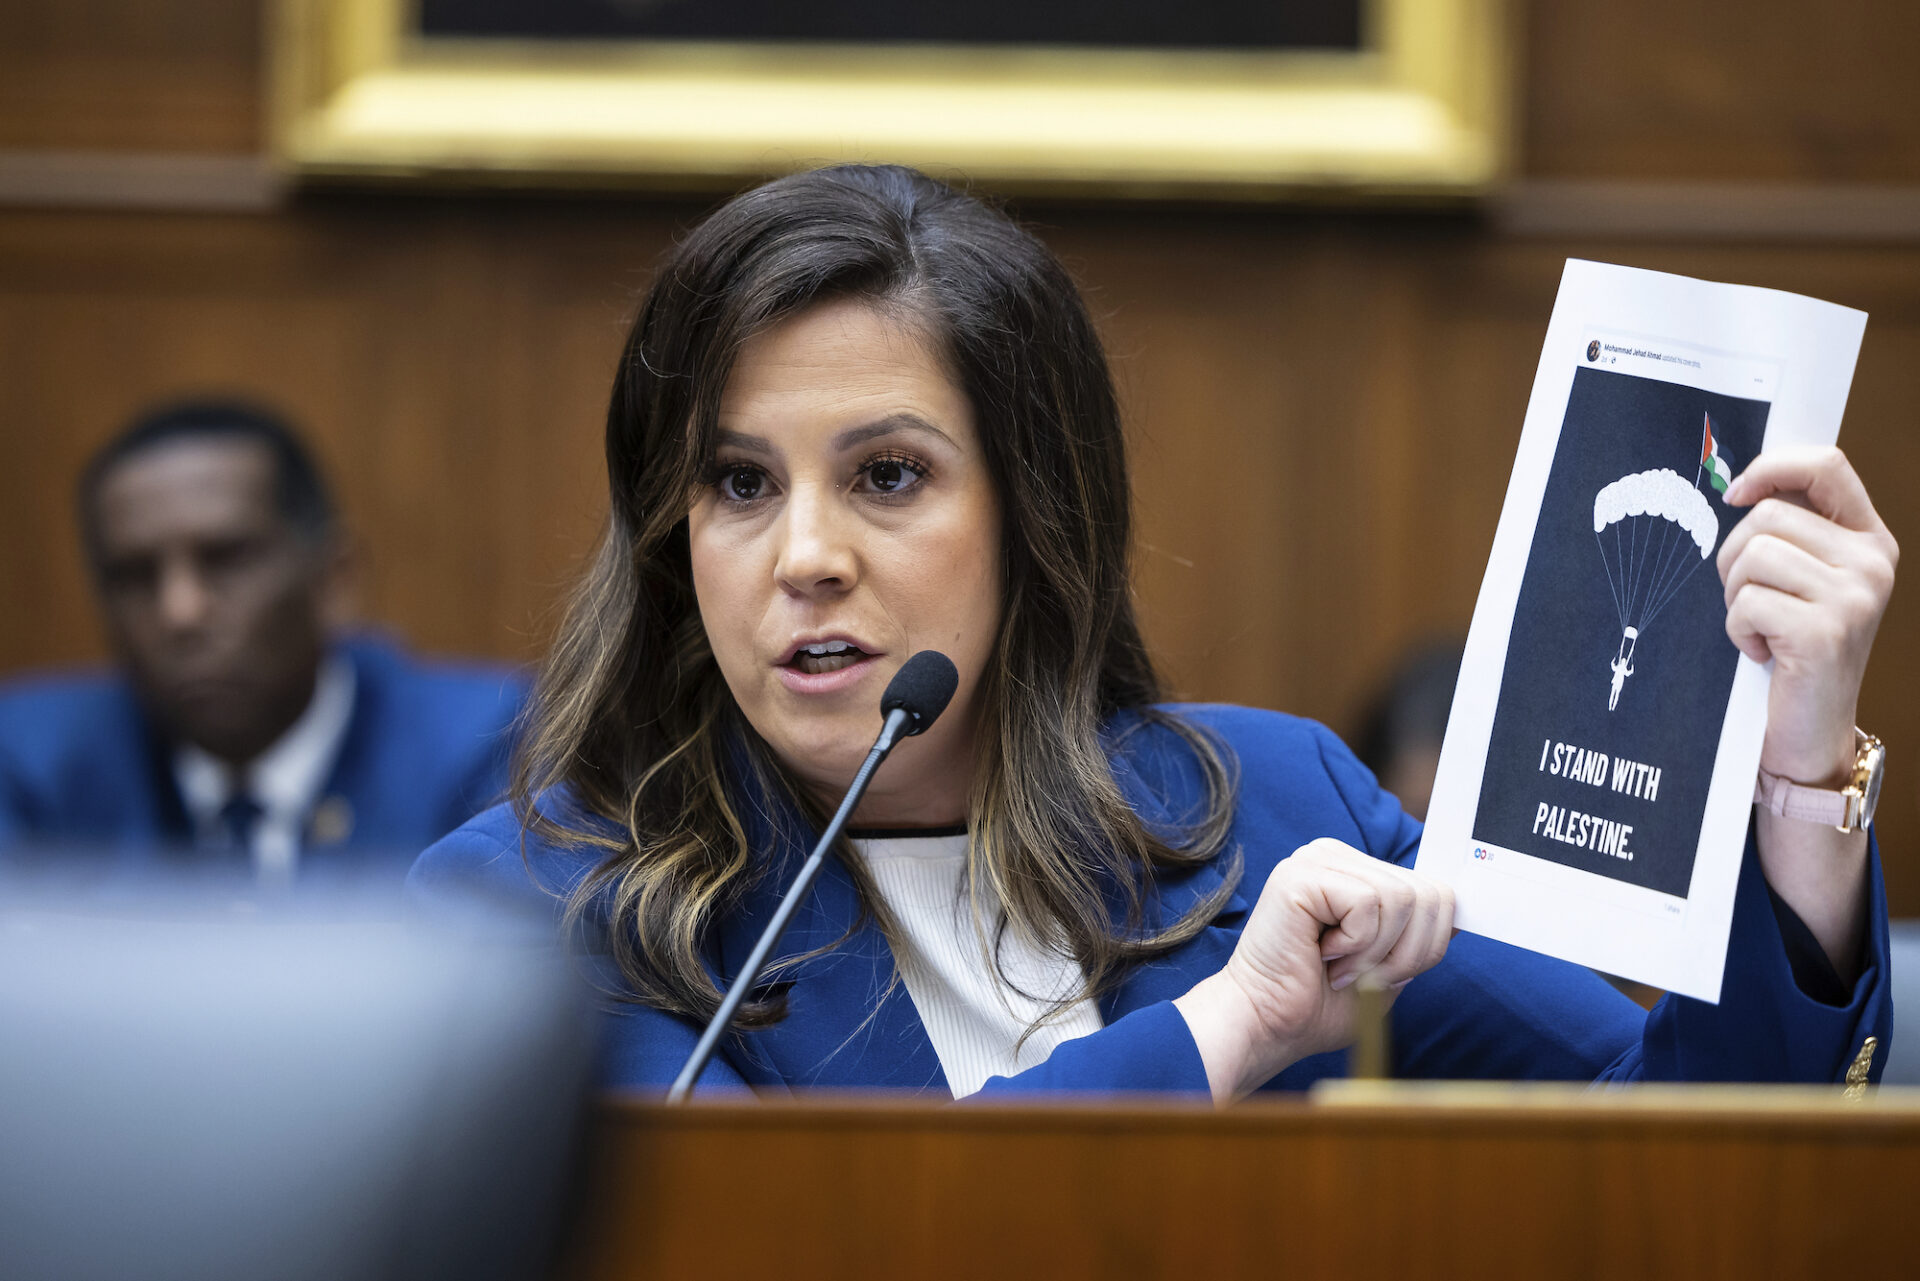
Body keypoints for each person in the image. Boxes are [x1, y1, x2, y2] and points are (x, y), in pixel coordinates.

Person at [410, 165, 1895, 1101]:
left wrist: (1800, 776)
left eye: (888, 476)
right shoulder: (529, 911)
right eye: (739, 484)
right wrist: (1225, 1031)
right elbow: (828, 1241)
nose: (803, 557)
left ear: (1034, 511)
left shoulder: (1269, 813)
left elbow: (1683, 1150)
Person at [0, 400, 528, 886]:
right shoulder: (28, 764)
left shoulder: (497, 745)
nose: (179, 612)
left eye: (227, 560)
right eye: (135, 577)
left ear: (334, 579)